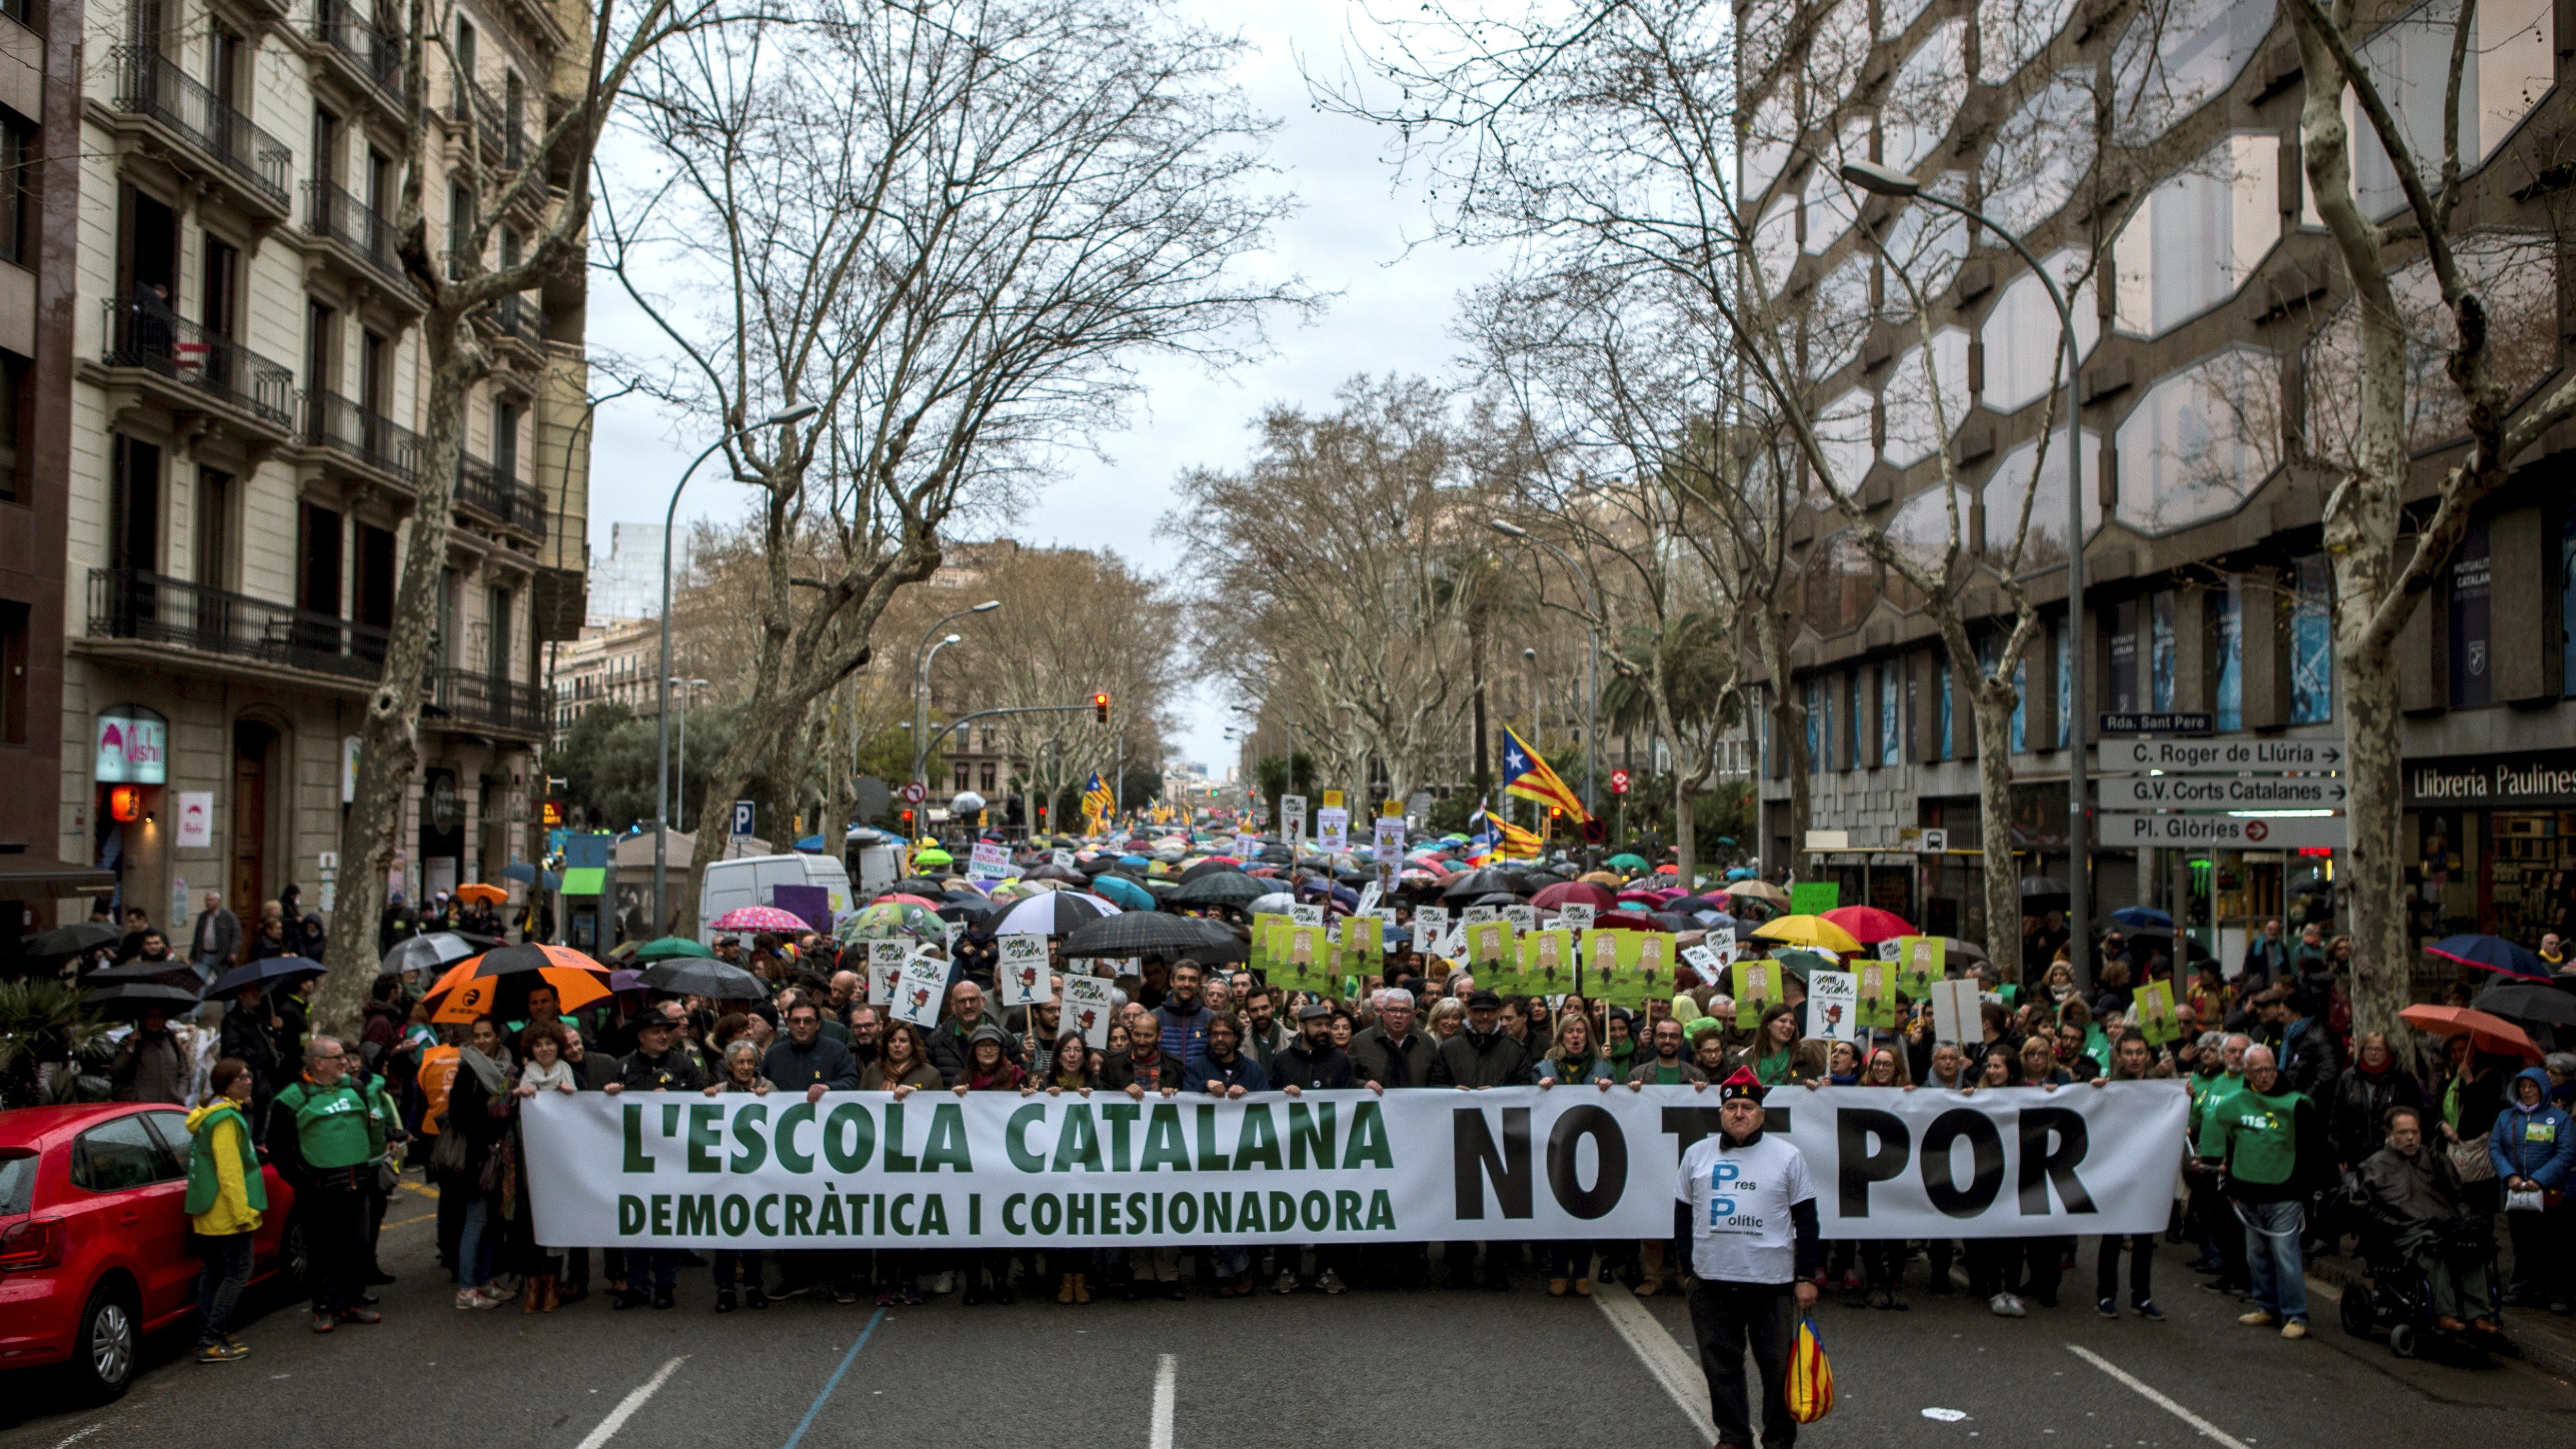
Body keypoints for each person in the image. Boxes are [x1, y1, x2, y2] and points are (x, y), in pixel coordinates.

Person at [1676, 1068, 1820, 1449]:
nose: (1739, 1113)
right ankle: (1733, 1436)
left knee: (1776, 1369)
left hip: (1770, 1282)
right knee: (1719, 1366)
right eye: (1731, 1106)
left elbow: (1806, 1220)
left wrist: (1805, 1276)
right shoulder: (1696, 1155)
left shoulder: (1788, 1157)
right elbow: (1682, 1216)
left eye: (1748, 1106)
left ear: (1761, 1113)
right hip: (1711, 1280)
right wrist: (1688, 1271)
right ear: (1721, 1111)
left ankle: (1778, 1440)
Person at [2199, 1043, 2328, 1338]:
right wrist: (2231, 1183)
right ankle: (2267, 1306)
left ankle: (2296, 1315)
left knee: (2286, 1256)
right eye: (2258, 1070)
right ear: (2247, 1072)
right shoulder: (2234, 1104)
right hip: (2248, 1194)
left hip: (2285, 1194)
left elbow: (2312, 1151)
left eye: (2270, 1068)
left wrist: (2306, 1190)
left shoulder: (2297, 1105)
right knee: (2257, 1256)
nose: (2266, 1075)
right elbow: (2234, 1145)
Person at [267, 1037, 384, 1334]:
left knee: (358, 1244)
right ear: (318, 1063)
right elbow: (278, 1148)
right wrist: (302, 1179)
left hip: (357, 1183)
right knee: (322, 1249)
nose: (346, 1062)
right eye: (338, 1058)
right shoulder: (292, 1098)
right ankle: (324, 1308)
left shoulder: (356, 1088)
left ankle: (353, 1302)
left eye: (345, 1056)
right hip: (317, 1189)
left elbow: (370, 1125)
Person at [2360, 1105, 2500, 1333]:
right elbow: (2365, 1209)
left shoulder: (2436, 1160)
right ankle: (2444, 1313)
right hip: (2404, 1231)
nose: (2410, 1138)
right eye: (2403, 1133)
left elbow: (2459, 1196)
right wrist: (2396, 1224)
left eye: (2414, 1132)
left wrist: (2467, 1222)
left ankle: (2478, 1315)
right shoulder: (2375, 1166)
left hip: (2444, 1225)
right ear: (2389, 1134)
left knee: (2471, 1247)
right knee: (2435, 1249)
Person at [602, 1012, 707, 1308]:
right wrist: (610, 1094)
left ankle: (665, 1287)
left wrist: (672, 1093)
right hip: (636, 1158)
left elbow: (703, 1100)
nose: (663, 1037)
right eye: (655, 1032)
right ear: (641, 1037)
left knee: (665, 1222)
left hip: (672, 1158)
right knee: (637, 1222)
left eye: (666, 1031)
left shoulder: (684, 1064)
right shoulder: (623, 1066)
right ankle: (636, 1287)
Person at [1429, 990, 1528, 1291]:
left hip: (1501, 1136)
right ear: (1469, 1013)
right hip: (1459, 1134)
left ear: (1499, 1013)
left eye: (1490, 1011)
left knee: (1499, 1202)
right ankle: (1459, 1268)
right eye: (1478, 1011)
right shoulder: (1451, 1048)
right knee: (1460, 1202)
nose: (1485, 1017)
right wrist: (1451, 1093)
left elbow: (1526, 1087)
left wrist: (1499, 1096)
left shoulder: (1514, 1049)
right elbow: (1434, 1084)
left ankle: (1496, 1268)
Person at [1272, 1003, 1357, 1295]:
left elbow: (1350, 1102)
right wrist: (1281, 1095)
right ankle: (1287, 1269)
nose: (1325, 1031)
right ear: (1302, 1027)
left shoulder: (1341, 1062)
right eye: (1318, 1025)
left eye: (1328, 1025)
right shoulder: (1283, 1060)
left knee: (1327, 1206)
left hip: (1327, 1147)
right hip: (1289, 1148)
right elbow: (1267, 1100)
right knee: (1287, 1205)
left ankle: (1327, 1269)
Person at [185, 1058, 264, 1362]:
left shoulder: (207, 1114)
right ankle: (211, 1340)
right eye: (243, 1077)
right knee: (237, 1273)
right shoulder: (226, 1119)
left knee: (213, 1274)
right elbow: (229, 1172)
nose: (250, 1081)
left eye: (249, 1075)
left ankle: (207, 1335)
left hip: (209, 1211)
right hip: (226, 1213)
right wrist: (242, 1214)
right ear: (227, 1085)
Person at [2087, 1031, 2169, 1321]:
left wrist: (2185, 1098)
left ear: (2148, 1055)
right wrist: (2094, 1091)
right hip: (2117, 1172)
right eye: (2129, 1053)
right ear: (2118, 1056)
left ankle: (2142, 1297)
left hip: (2148, 1171)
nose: (2135, 1058)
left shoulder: (2162, 1087)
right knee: (2112, 1238)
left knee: (2144, 1238)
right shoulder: (2110, 1087)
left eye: (2140, 1052)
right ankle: (2106, 1296)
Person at [2489, 1064, 2575, 1313]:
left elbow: (2567, 1153)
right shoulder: (2507, 1117)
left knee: (2556, 1243)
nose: (2527, 1091)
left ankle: (2559, 1293)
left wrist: (2540, 1179)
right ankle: (2524, 1287)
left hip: (2549, 1194)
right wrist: (2510, 1176)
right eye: (2523, 1087)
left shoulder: (2560, 1119)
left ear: (2544, 1089)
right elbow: (2496, 1148)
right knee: (2522, 1241)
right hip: (2518, 1193)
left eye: (2532, 1087)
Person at [446, 1017, 515, 1310]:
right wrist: (492, 1120)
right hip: (476, 1159)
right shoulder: (468, 1070)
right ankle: (465, 1290)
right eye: (477, 1036)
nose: (483, 1041)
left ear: (498, 1037)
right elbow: (458, 1117)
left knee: (491, 1224)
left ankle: (485, 1282)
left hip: (499, 1156)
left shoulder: (506, 1066)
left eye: (488, 1035)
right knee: (475, 1223)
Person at [111, 1007, 191, 1104]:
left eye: (159, 1017)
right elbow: (117, 1071)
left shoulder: (171, 1041)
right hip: (140, 1109)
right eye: (152, 1016)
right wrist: (131, 1048)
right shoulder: (130, 1041)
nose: (156, 1021)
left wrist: (180, 1096)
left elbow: (184, 1073)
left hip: (169, 1107)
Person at [1149, 960, 1215, 1064]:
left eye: (1192, 980)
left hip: (1199, 1080)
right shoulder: (1155, 1017)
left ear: (1199, 985)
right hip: (1165, 1079)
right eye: (1181, 979)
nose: (1187, 984)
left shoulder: (1210, 1018)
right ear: (1172, 982)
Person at [190, 890, 241, 974]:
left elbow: (237, 935)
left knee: (222, 983)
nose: (208, 903)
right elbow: (197, 937)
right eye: (207, 900)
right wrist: (192, 956)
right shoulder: (203, 917)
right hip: (204, 956)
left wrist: (233, 952)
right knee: (199, 981)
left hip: (221, 956)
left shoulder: (228, 916)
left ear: (217, 901)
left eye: (211, 900)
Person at [2243, 919, 2289, 988]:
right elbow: (2248, 963)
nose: (2273, 932)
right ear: (2266, 929)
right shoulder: (2256, 945)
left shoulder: (2281, 947)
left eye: (2276, 930)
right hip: (2261, 983)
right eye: (2270, 929)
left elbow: (2286, 967)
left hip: (2278, 984)